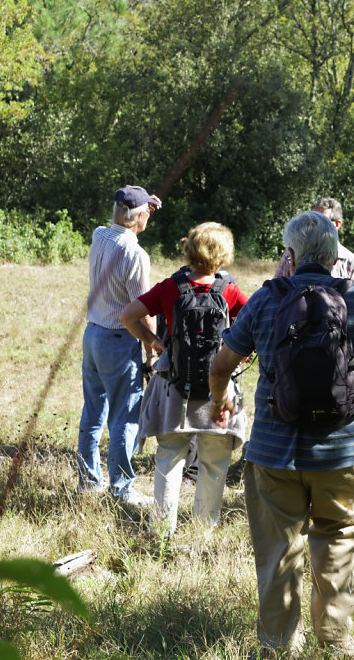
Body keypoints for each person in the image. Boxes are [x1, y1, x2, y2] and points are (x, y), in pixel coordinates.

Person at [207, 211, 354, 656]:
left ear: (290, 256)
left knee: (279, 555)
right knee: (337, 547)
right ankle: (335, 644)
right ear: (336, 257)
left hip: (274, 453)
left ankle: (276, 646)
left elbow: (220, 366)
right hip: (342, 454)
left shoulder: (266, 299)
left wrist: (221, 403)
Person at [120, 222, 249, 534]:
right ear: (224, 254)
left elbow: (128, 315)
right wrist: (239, 353)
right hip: (218, 392)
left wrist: (152, 341)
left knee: (168, 462)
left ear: (189, 248)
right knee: (214, 465)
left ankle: (162, 530)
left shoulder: (169, 287)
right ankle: (203, 531)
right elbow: (252, 325)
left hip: (175, 390)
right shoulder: (229, 291)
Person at [77, 185, 161, 507]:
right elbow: (143, 310)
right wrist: (152, 348)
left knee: (94, 411)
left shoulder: (100, 235)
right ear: (138, 216)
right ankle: (122, 490)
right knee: (125, 418)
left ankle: (89, 480)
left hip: (93, 334)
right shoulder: (136, 255)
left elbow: (127, 215)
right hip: (118, 340)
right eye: (145, 214)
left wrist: (144, 205)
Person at [273, 197, 354, 282]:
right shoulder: (292, 253)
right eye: (311, 221)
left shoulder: (351, 262)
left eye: (323, 220)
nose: (314, 226)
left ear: (337, 224)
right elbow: (276, 289)